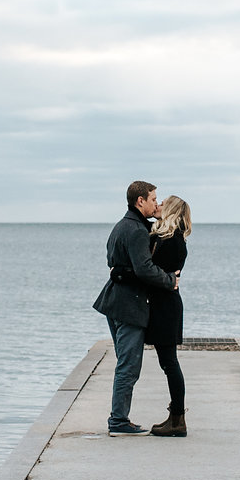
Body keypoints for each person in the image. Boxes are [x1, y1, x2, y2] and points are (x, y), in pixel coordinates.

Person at [90, 180, 176, 435]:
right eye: (153, 199)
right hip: (129, 305)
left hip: (114, 301)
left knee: (124, 364)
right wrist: (170, 280)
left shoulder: (121, 226)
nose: (156, 203)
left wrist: (124, 272)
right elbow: (145, 269)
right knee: (128, 366)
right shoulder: (137, 230)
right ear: (140, 201)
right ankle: (118, 421)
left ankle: (119, 419)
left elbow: (112, 260)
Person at [144, 196, 191, 437]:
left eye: (161, 203)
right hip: (164, 304)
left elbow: (152, 270)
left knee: (169, 362)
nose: (158, 206)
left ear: (171, 209)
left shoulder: (171, 240)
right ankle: (176, 418)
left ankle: (178, 419)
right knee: (167, 362)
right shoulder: (167, 236)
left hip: (166, 307)